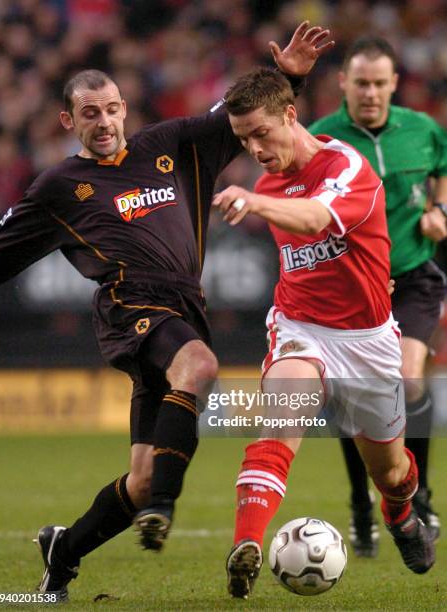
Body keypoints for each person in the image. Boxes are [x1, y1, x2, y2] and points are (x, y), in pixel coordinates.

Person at [0, 22, 334, 601]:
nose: (102, 122)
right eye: (88, 113)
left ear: (124, 109)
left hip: (182, 309)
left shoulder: (172, 143)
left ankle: (64, 550)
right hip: (131, 309)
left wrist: (290, 74)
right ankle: (165, 514)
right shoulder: (58, 188)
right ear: (67, 121)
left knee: (144, 478)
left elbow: (240, 112)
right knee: (199, 367)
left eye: (109, 110)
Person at [213, 66, 436, 599]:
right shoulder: (268, 181)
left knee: (392, 469)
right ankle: (245, 546)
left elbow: (314, 219)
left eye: (261, 133)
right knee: (277, 424)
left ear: (290, 116)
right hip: (300, 328)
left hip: (368, 340)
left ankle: (400, 513)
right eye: (244, 140)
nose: (255, 149)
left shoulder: (348, 167)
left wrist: (254, 200)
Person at [308, 36, 447, 557]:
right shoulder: (321, 140)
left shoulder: (424, 129)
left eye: (379, 83)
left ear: (394, 84)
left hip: (411, 275)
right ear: (343, 83)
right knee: (352, 398)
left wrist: (440, 210)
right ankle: (362, 503)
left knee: (408, 381)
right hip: (352, 285)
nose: (369, 92)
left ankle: (420, 493)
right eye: (360, 82)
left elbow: (442, 169)